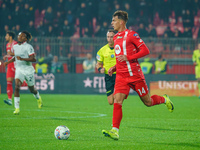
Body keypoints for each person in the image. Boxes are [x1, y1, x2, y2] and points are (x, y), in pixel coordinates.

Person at [102, 10, 174, 140]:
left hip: (135, 75)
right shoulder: (116, 38)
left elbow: (145, 50)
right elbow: (120, 58)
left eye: (114, 20)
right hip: (121, 76)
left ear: (121, 22)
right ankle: (115, 130)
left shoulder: (132, 35)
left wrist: (129, 57)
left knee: (148, 102)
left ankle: (164, 99)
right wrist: (114, 67)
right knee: (117, 101)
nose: (112, 23)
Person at [4, 31, 43, 115]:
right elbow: (15, 57)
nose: (19, 37)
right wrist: (8, 62)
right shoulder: (15, 46)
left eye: (21, 36)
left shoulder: (29, 47)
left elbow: (33, 59)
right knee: (17, 86)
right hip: (19, 69)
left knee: (32, 89)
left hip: (28, 70)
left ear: (25, 38)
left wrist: (22, 59)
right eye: (19, 36)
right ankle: (17, 108)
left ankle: (38, 97)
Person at [96, 29, 116, 105]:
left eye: (111, 37)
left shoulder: (119, 48)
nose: (109, 39)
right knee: (111, 102)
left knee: (118, 98)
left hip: (119, 75)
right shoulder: (102, 50)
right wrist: (100, 69)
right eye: (108, 37)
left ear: (115, 37)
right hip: (108, 76)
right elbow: (98, 64)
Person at [3, 31, 18, 105]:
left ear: (10, 37)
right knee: (9, 83)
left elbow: (18, 54)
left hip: (15, 65)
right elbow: (10, 55)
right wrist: (6, 56)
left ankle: (32, 87)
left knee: (19, 83)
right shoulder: (7, 44)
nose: (5, 37)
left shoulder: (15, 44)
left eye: (7, 36)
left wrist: (10, 54)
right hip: (9, 65)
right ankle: (9, 99)